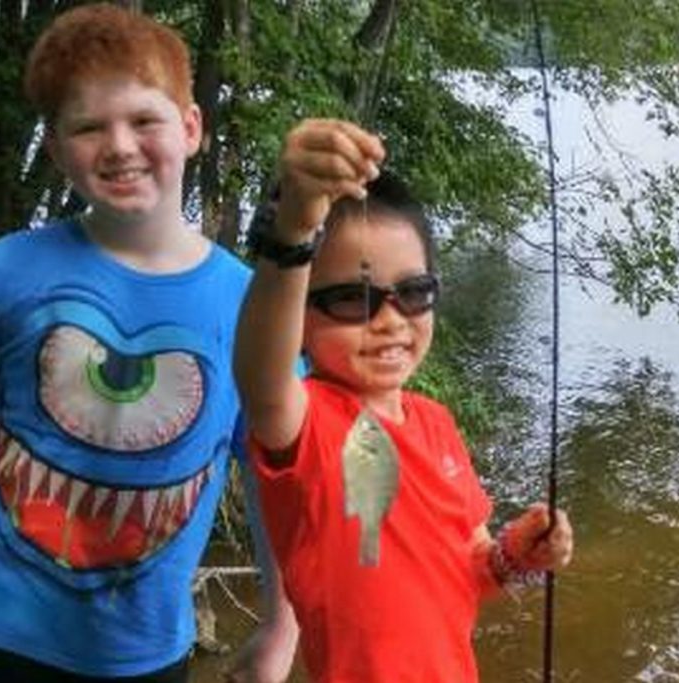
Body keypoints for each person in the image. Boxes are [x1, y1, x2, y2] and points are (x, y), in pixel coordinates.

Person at [0, 4, 296, 682]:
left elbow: (275, 479)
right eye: (89, 126)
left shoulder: (254, 308)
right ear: (57, 150)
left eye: (144, 120)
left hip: (138, 649)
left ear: (191, 128)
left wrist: (279, 623)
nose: (119, 145)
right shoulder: (4, 271)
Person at [233, 118, 575, 682]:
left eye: (415, 293)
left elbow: (471, 570)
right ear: (301, 315)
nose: (391, 320)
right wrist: (292, 234)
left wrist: (519, 554)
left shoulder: (437, 425)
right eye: (352, 299)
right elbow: (259, 375)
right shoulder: (305, 422)